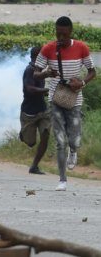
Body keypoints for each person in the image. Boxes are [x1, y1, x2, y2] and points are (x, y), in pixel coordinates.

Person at [34, 16, 96, 191]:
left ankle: (74, 151)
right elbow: (36, 74)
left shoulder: (81, 47)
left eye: (63, 34)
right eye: (57, 33)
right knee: (60, 141)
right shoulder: (48, 49)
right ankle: (62, 179)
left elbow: (92, 71)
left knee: (74, 140)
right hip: (55, 98)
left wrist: (82, 83)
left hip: (75, 98)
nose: (60, 38)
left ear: (70, 32)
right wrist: (46, 73)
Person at [20, 46, 51, 175]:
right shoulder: (29, 70)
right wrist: (46, 90)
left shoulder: (41, 71)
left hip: (42, 110)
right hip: (29, 112)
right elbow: (30, 89)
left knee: (45, 135)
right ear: (37, 57)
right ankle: (23, 134)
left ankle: (34, 166)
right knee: (30, 142)